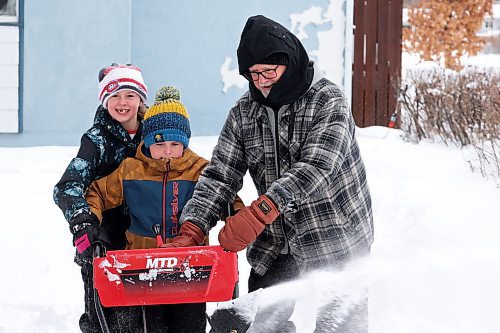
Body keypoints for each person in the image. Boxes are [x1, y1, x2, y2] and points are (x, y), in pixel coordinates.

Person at [175, 15, 375, 331]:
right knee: (260, 324)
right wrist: (193, 226)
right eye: (254, 75)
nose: (263, 82)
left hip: (335, 234)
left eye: (269, 71)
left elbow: (317, 167)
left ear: (290, 61)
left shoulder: (327, 100)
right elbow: (220, 175)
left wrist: (260, 212)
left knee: (339, 325)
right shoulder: (244, 112)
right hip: (276, 242)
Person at [84, 86, 212, 332]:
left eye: (176, 144)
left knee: (190, 326)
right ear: (148, 141)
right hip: (144, 270)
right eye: (160, 143)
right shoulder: (131, 170)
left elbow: (223, 197)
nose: (167, 152)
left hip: (191, 268)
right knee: (151, 326)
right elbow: (97, 192)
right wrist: (92, 220)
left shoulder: (200, 170)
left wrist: (235, 217)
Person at [53, 63, 148, 332]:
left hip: (145, 238)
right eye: (114, 95)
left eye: (129, 95)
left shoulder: (155, 134)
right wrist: (84, 223)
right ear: (105, 99)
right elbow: (67, 186)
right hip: (103, 239)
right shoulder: (96, 139)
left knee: (147, 317)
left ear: (140, 98)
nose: (122, 102)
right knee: (105, 316)